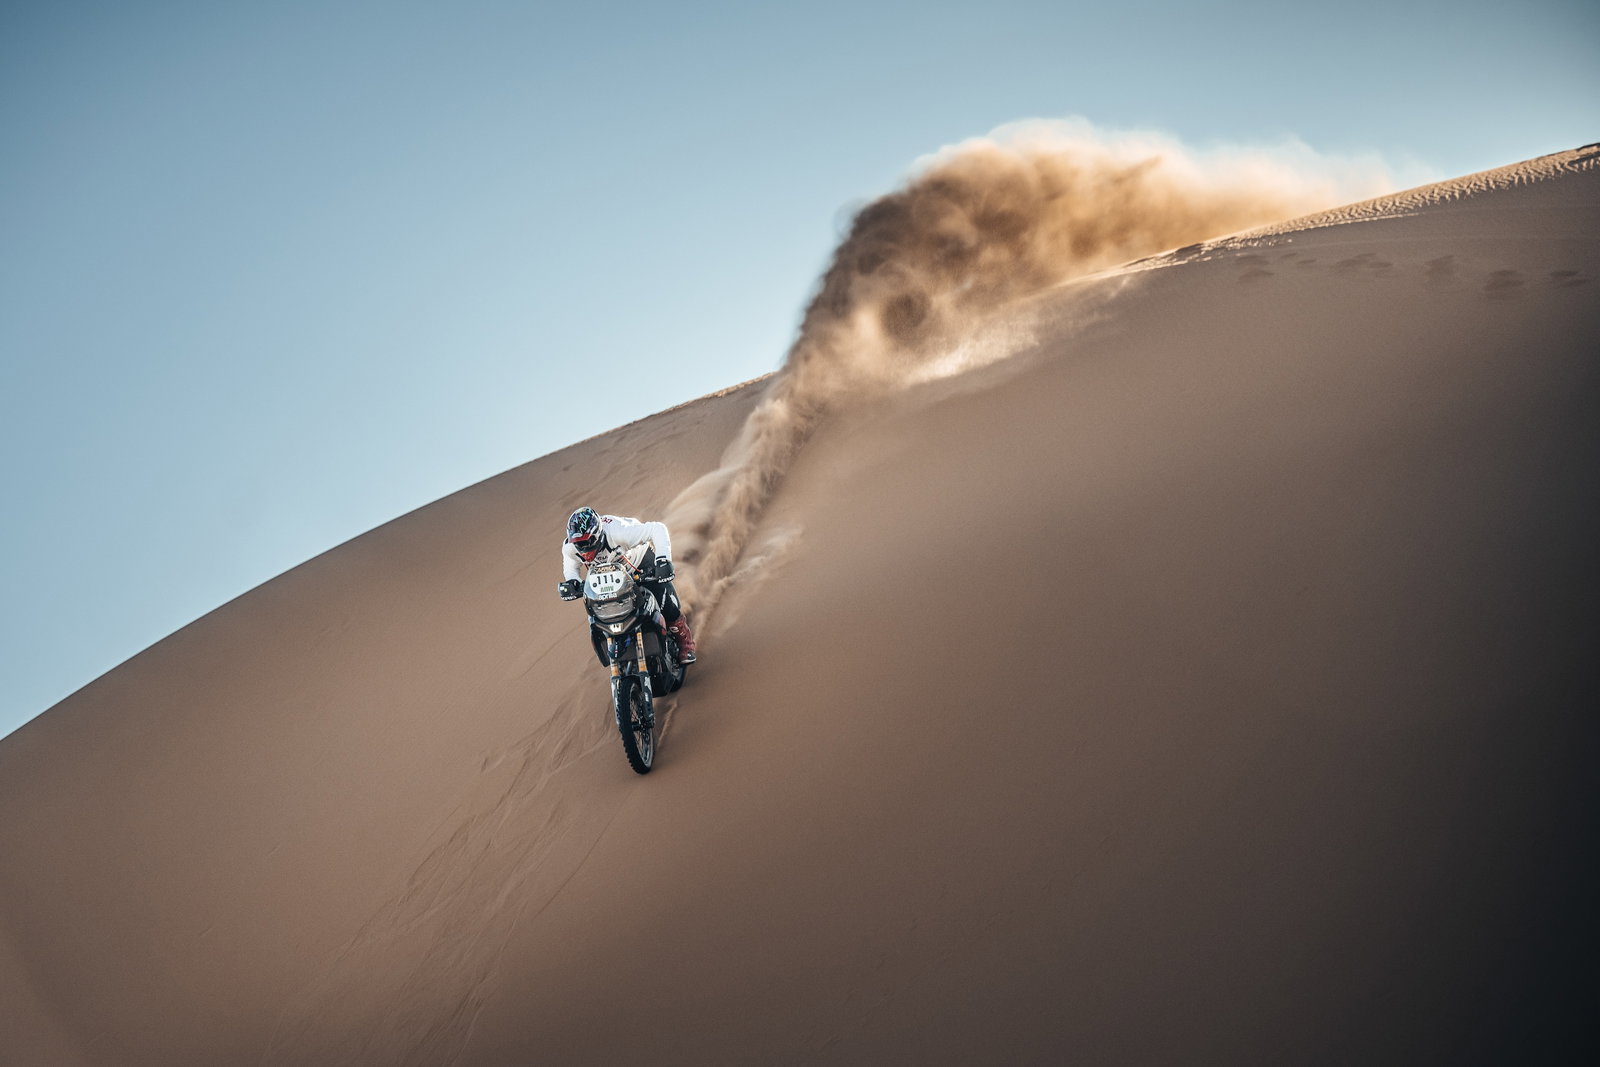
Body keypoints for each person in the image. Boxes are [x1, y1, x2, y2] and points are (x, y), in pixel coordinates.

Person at [557, 506, 697, 663]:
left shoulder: (620, 532)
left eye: (587, 542)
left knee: (665, 602)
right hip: (607, 577)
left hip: (639, 563)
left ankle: (685, 643)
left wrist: (663, 560)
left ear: (598, 534)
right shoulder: (570, 547)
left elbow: (657, 529)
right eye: (578, 544)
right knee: (601, 612)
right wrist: (572, 582)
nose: (583, 549)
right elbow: (571, 569)